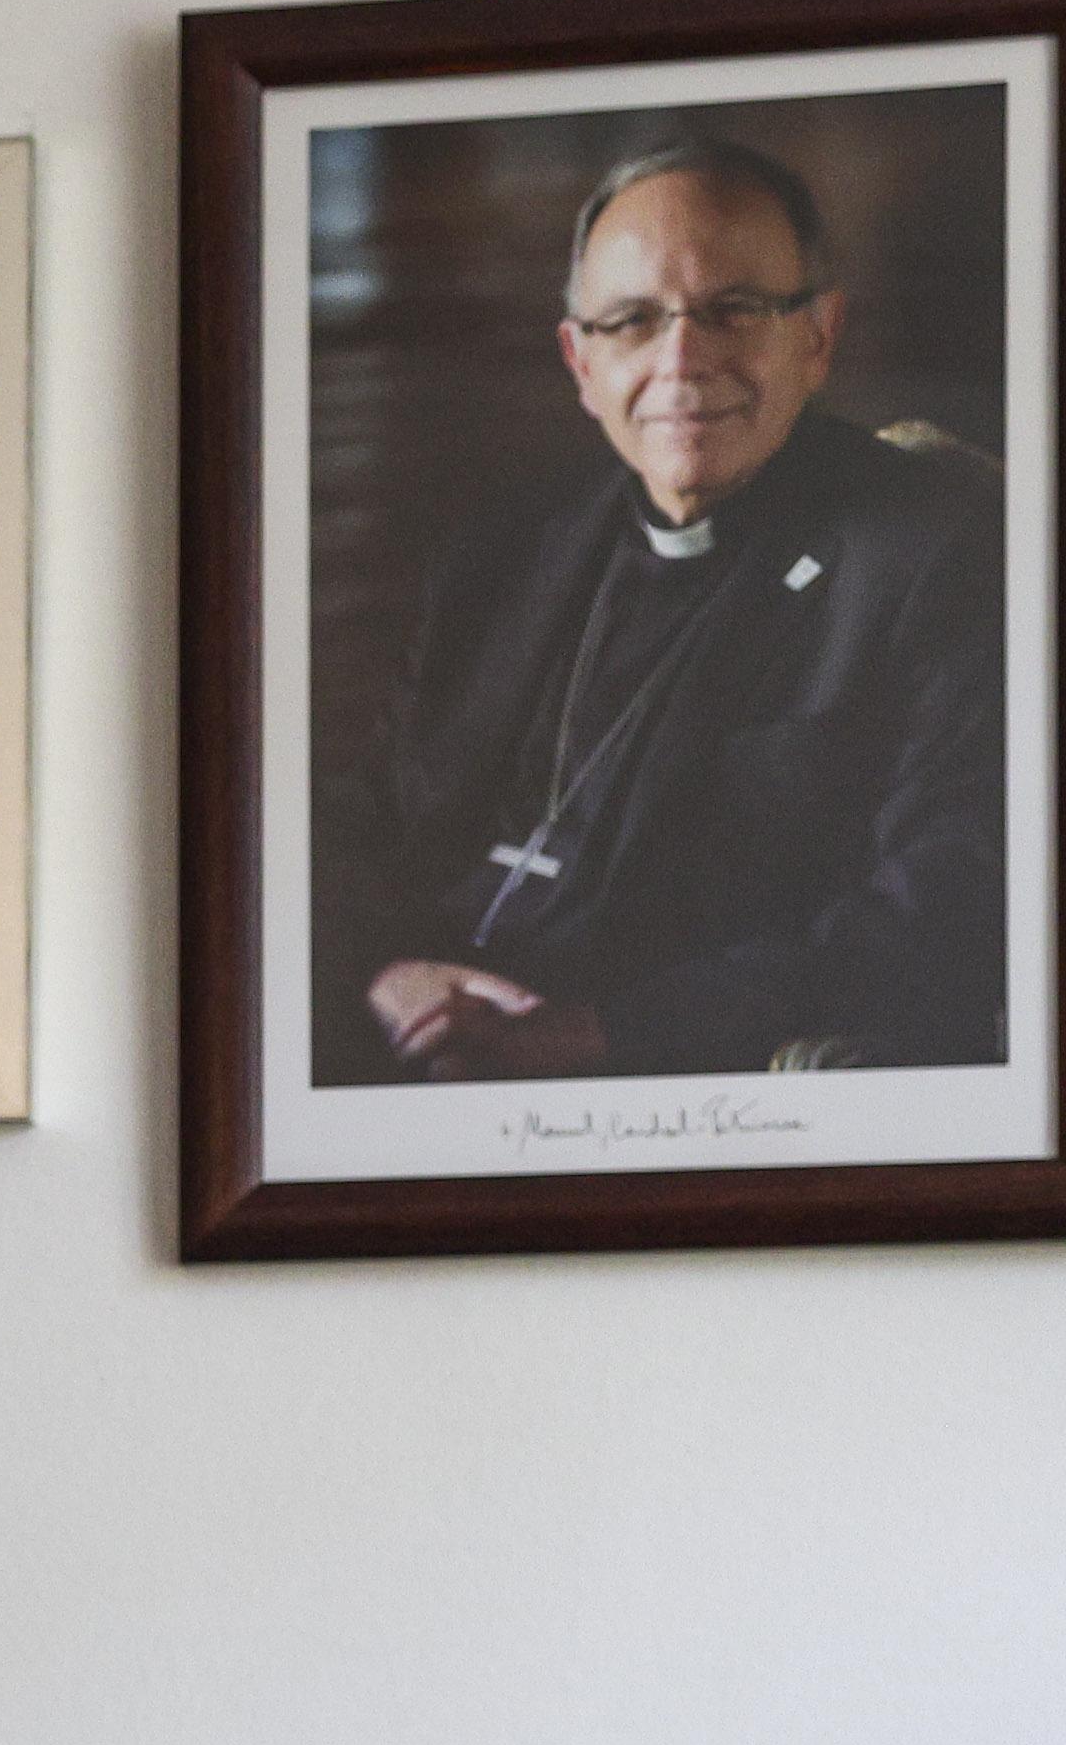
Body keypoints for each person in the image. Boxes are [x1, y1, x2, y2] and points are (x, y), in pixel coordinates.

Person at [322, 133, 1003, 1084]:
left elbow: (947, 911)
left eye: (733, 312)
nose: (683, 360)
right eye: (635, 320)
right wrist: (383, 975)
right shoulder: (503, 557)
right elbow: (359, 827)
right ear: (580, 361)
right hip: (406, 1032)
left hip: (650, 1074)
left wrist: (590, 1036)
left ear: (818, 336)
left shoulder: (931, 560)